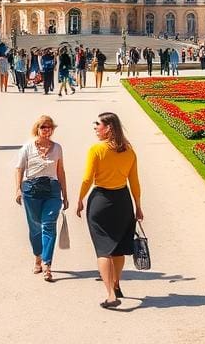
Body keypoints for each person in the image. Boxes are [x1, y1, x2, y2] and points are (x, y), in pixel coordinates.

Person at [75, 112, 142, 309]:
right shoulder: (129, 151)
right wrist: (138, 205)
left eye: (98, 124)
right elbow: (135, 182)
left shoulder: (96, 149)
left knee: (103, 250)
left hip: (101, 201)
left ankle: (111, 295)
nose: (95, 127)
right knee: (119, 248)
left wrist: (80, 198)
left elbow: (87, 178)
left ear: (108, 128)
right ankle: (117, 283)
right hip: (123, 201)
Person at [14, 115, 68, 283]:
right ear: (37, 129)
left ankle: (47, 264)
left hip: (52, 190)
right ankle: (37, 256)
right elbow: (19, 168)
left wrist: (65, 194)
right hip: (31, 190)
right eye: (43, 127)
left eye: (49, 127)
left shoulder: (57, 148)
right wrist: (17, 189)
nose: (47, 130)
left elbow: (61, 171)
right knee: (35, 227)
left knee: (48, 225)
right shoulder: (27, 147)